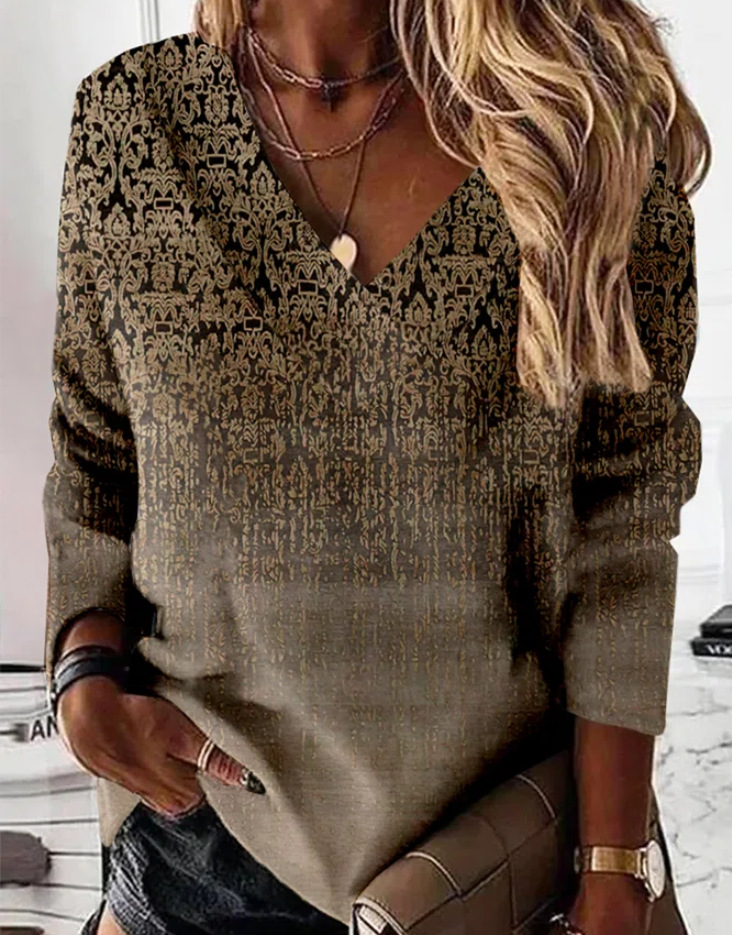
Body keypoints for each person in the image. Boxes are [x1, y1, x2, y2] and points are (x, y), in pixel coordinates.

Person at [43, 1, 711, 934]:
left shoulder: (577, 128)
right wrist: (81, 672)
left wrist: (613, 867)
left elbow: (622, 533)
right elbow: (95, 448)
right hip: (200, 847)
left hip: (485, 867)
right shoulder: (133, 121)